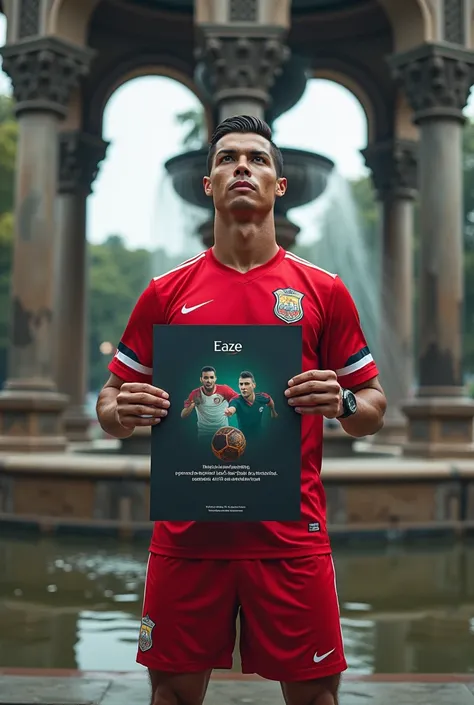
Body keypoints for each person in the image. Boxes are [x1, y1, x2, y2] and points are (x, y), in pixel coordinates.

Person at [96, 115, 387, 705]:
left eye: (257, 159)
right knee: (172, 694)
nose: (242, 168)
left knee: (316, 696)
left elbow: (373, 407)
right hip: (186, 535)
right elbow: (108, 401)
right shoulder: (166, 292)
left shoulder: (322, 291)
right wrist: (122, 409)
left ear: (281, 185)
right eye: (228, 159)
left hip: (290, 535)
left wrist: (344, 400)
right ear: (208, 185)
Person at [180, 365, 237, 447]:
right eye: (206, 378)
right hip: (204, 434)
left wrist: (232, 409)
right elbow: (183, 415)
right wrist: (193, 403)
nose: (209, 380)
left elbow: (237, 399)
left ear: (215, 379)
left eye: (211, 377)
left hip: (223, 432)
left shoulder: (224, 389)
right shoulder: (195, 393)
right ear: (201, 379)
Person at [224, 370, 277, 441]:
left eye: (246, 384)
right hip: (242, 439)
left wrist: (273, 411)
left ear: (254, 385)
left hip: (260, 435)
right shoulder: (236, 400)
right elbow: (233, 407)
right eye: (241, 384)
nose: (243, 387)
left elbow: (269, 400)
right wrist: (229, 411)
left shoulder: (262, 397)